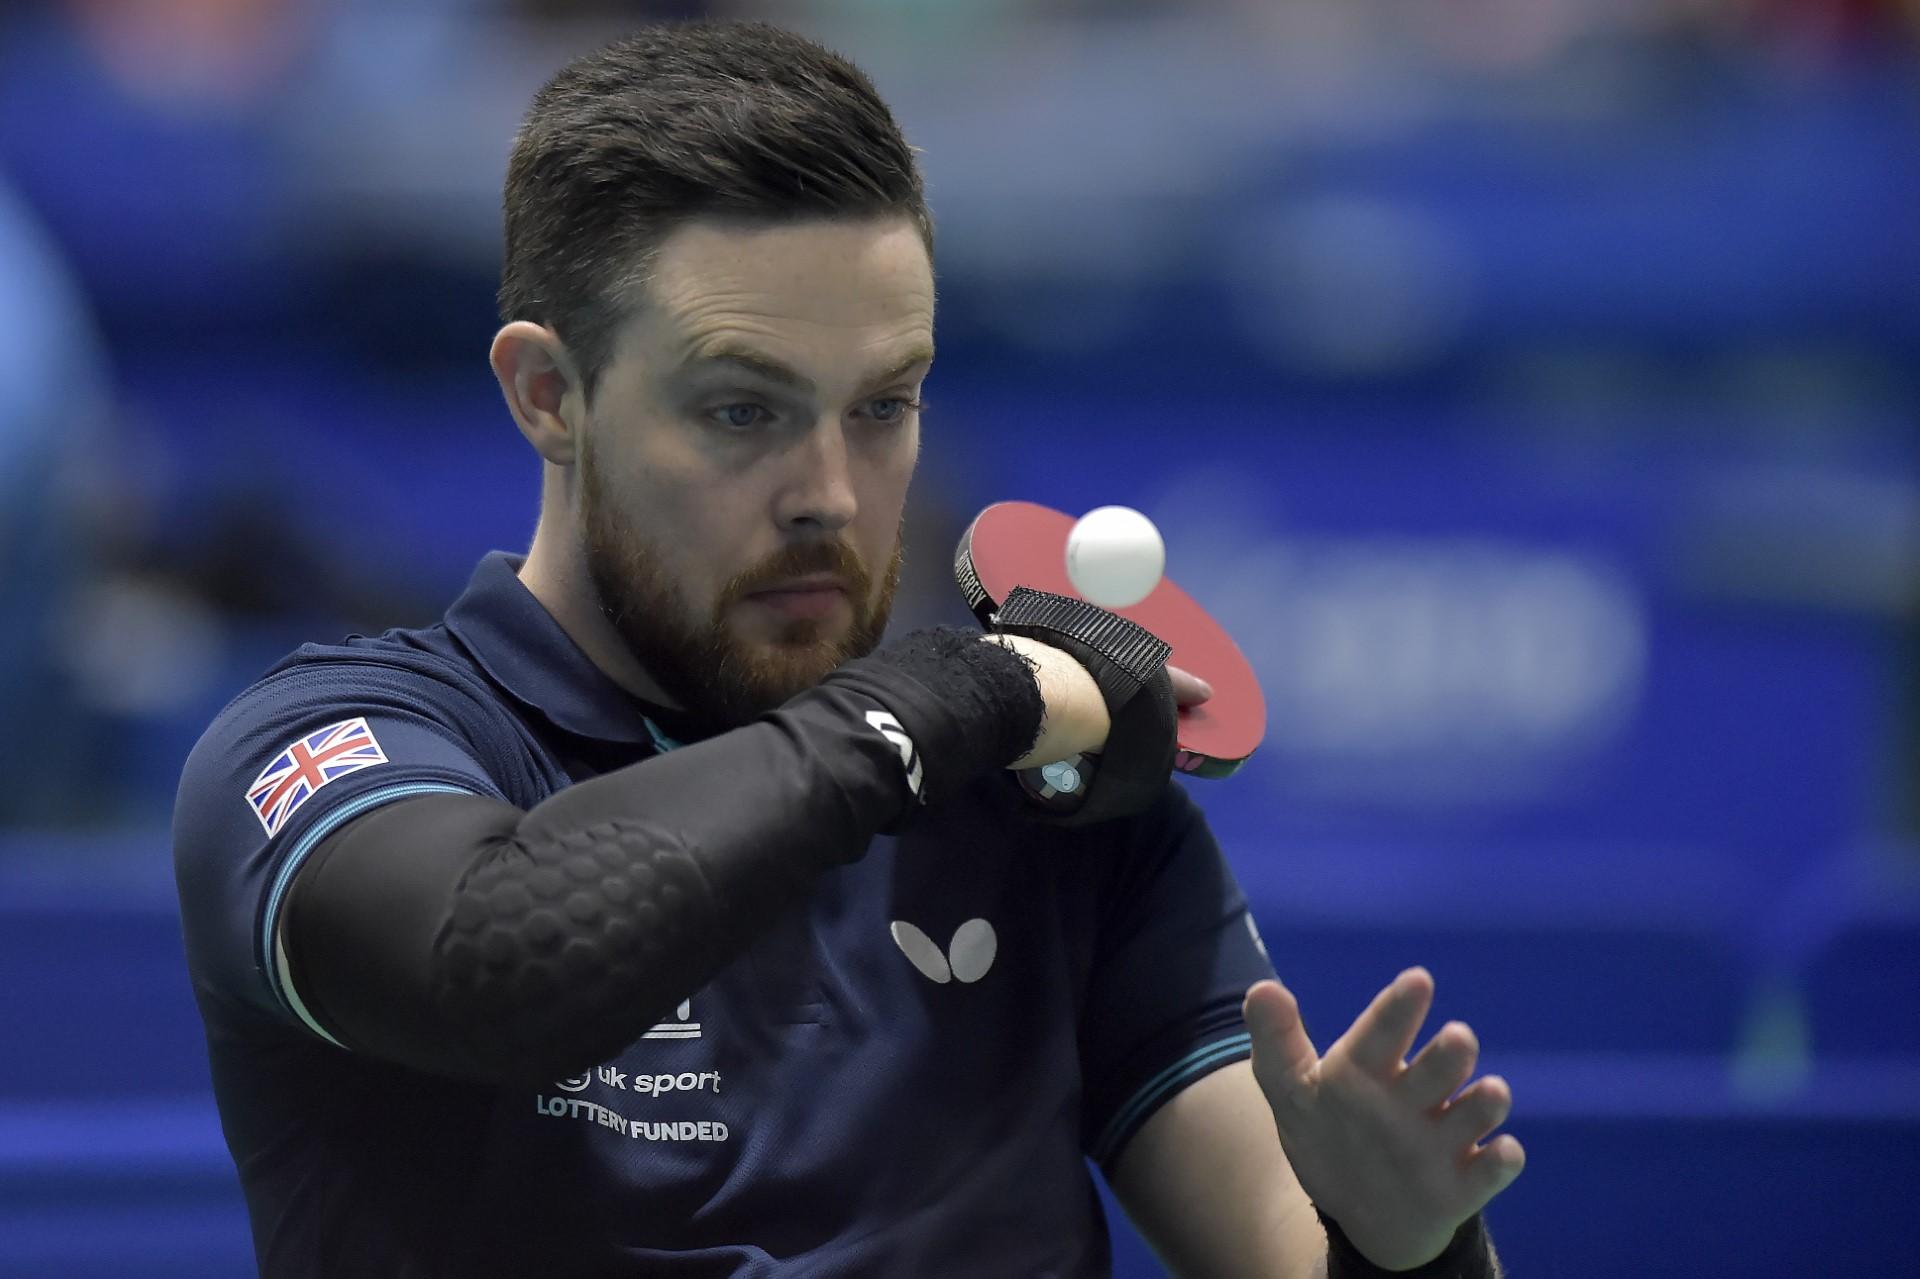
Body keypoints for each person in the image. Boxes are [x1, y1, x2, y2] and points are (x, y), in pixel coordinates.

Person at [172, 22, 1523, 1277]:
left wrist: (1405, 1251)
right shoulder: (331, 747)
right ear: (549, 396)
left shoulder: (1056, 809)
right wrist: (952, 695)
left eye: (883, 406)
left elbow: (1298, 1252)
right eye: (742, 409)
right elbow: (497, 963)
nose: (829, 492)